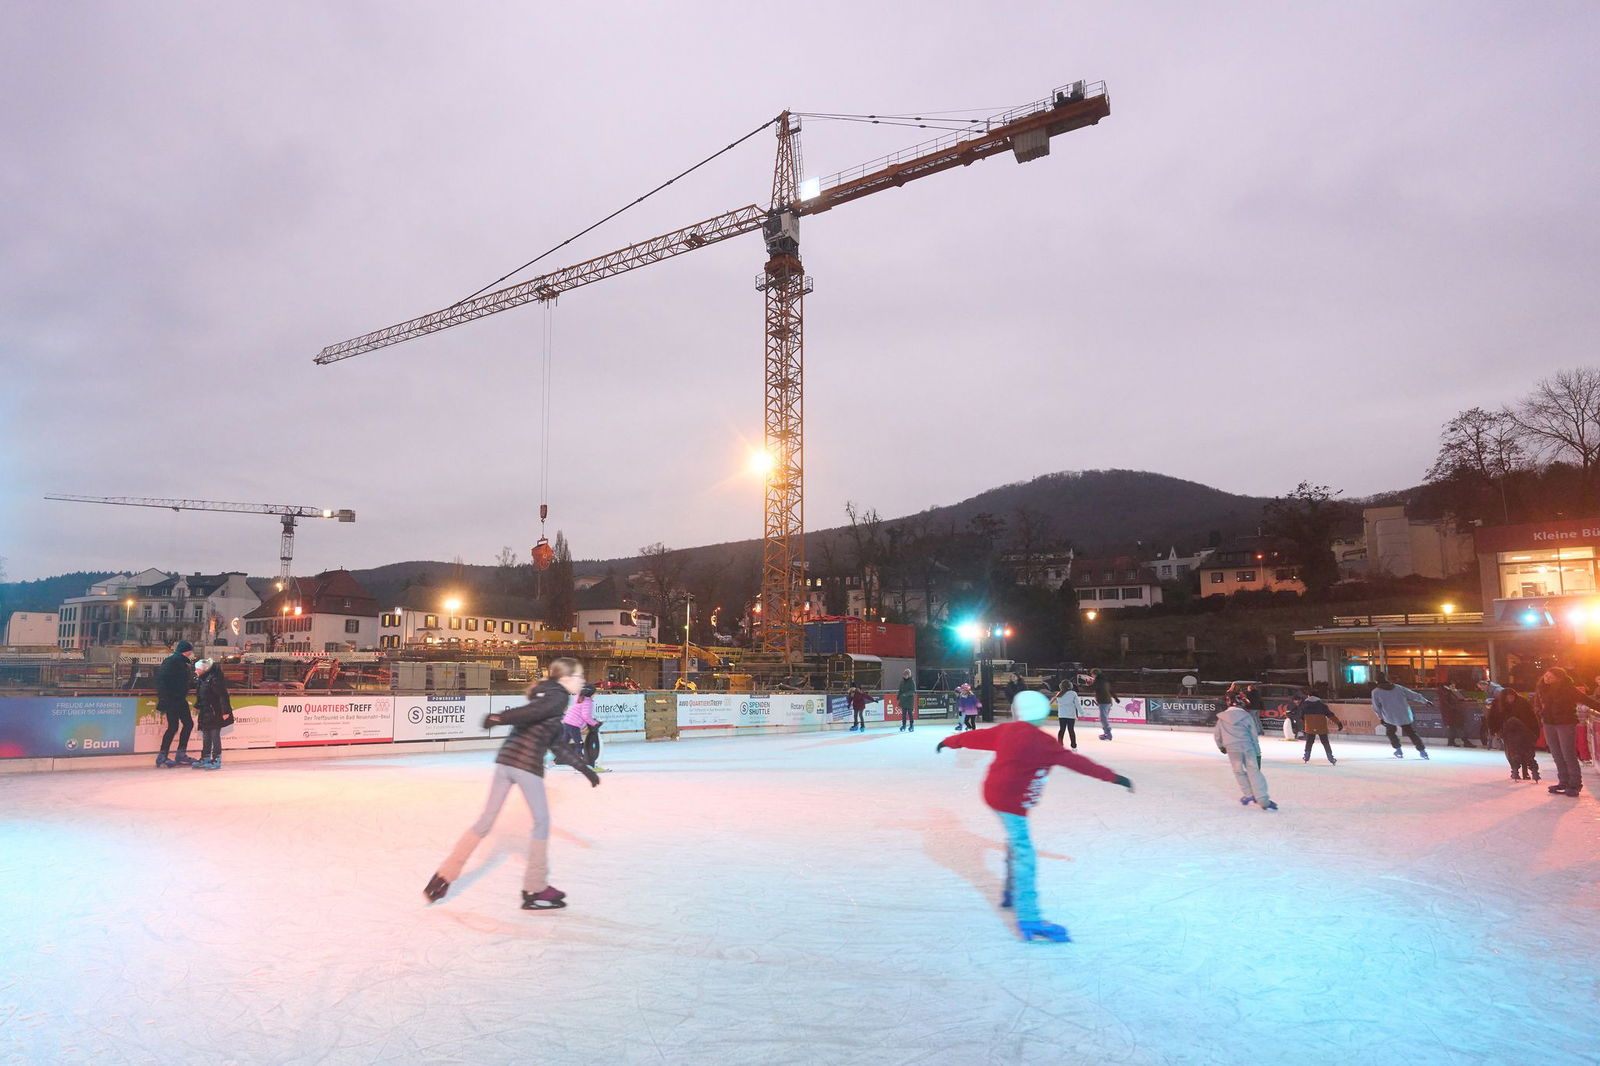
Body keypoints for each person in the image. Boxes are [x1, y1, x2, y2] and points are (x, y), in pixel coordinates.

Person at [937, 690, 1132, 942]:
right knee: (1025, 855)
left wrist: (950, 741)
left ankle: (1010, 890)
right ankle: (1029, 917)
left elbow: (977, 737)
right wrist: (1114, 777)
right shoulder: (1044, 742)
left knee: (1015, 843)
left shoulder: (1007, 731)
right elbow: (1080, 764)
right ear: (1041, 714)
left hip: (995, 794)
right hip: (1012, 802)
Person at [423, 657, 599, 911]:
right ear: (565, 679)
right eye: (579, 677)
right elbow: (532, 713)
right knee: (541, 822)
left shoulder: (547, 695)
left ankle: (443, 876)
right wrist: (499, 718)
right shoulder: (558, 697)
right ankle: (535, 887)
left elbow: (557, 743)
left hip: (506, 762)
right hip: (525, 766)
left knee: (485, 821)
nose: (583, 681)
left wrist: (584, 768)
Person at [1533, 667, 1599, 798]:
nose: (1547, 679)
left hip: (1565, 724)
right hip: (1548, 724)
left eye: (1550, 677)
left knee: (1568, 754)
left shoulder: (1568, 689)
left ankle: (1575, 784)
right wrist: (1540, 713)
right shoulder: (1542, 689)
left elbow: (1587, 701)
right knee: (1557, 754)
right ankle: (1563, 781)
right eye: (1546, 676)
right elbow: (1537, 704)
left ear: (1559, 678)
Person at [1215, 695, 1277, 810]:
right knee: (1254, 771)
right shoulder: (1246, 716)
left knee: (1239, 771)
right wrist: (1257, 752)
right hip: (1247, 746)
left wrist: (1221, 746)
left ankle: (1249, 795)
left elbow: (1217, 735)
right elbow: (1253, 735)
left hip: (1232, 748)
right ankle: (1263, 799)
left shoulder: (1222, 718)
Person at [155, 640, 197, 768]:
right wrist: (164, 697)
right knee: (175, 726)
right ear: (187, 651)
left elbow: (181, 681)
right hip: (173, 699)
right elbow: (162, 679)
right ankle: (164, 755)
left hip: (177, 698)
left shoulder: (180, 662)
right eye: (190, 651)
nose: (191, 653)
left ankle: (176, 753)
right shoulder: (174, 662)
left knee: (186, 724)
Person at [1370, 672, 1432, 759]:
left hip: (1389, 716)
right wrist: (1425, 701)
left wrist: (1381, 717)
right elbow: (1413, 695)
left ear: (1376, 681)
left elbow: (1376, 707)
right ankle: (1422, 752)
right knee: (1411, 733)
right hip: (1404, 714)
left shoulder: (1376, 692)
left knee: (1391, 733)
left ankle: (1398, 750)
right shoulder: (1398, 688)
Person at [1486, 685, 1540, 782]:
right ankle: (1530, 768)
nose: (1510, 699)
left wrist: (1534, 732)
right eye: (1508, 698)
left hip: (1521, 731)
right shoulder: (1498, 704)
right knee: (1521, 747)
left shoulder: (1521, 703)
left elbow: (1531, 718)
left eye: (1512, 697)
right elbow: (1492, 719)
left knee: (1514, 747)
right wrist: (1494, 731)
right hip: (1512, 732)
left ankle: (1516, 768)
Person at [191, 658, 233, 771]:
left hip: (215, 712)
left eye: (197, 669)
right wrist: (198, 705)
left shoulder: (215, 679)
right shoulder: (202, 679)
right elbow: (201, 695)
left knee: (214, 736)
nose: (196, 671)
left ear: (204, 669)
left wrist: (225, 711)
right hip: (205, 712)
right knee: (206, 736)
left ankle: (216, 759)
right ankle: (205, 757)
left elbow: (223, 695)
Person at [1296, 682, 1343, 764]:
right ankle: (1330, 758)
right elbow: (1330, 715)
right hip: (1321, 727)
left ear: (1309, 696)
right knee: (1325, 742)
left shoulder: (1304, 705)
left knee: (1309, 742)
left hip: (1310, 727)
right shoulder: (1322, 705)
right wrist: (1339, 723)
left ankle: (1306, 756)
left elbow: (1301, 717)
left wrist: (1305, 725)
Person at [1438, 683, 1475, 748]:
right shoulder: (1445, 692)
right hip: (1453, 713)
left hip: (1453, 713)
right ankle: (1465, 741)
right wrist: (1454, 708)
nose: (1454, 686)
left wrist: (1455, 691)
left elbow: (1460, 698)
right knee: (1460, 727)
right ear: (1447, 686)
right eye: (1452, 685)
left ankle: (1451, 742)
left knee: (1453, 728)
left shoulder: (1450, 691)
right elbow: (1446, 703)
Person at [1476, 679, 1504, 748]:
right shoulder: (1490, 690)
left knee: (1497, 726)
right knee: (1493, 726)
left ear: (1485, 685)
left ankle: (1500, 742)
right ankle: (1497, 742)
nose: (1482, 690)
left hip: (1499, 712)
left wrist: (1490, 700)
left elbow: (1501, 701)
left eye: (1482, 688)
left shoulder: (1497, 690)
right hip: (1495, 712)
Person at [1091, 669, 1118, 740]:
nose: (1092, 676)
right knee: (1104, 718)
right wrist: (1116, 698)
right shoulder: (1105, 681)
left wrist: (1085, 685)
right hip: (1108, 702)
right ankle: (1106, 732)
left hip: (1104, 702)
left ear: (1095, 674)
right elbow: (1111, 690)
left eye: (1092, 674)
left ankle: (1108, 734)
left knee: (1103, 719)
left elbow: (1091, 688)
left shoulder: (1098, 681)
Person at [1054, 678, 1080, 749]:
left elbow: (1058, 703)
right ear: (1070, 686)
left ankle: (1059, 744)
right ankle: (1073, 745)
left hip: (1062, 715)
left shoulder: (1059, 694)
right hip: (1070, 715)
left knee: (1062, 729)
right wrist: (1081, 713)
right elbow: (1078, 705)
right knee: (1071, 730)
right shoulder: (1073, 693)